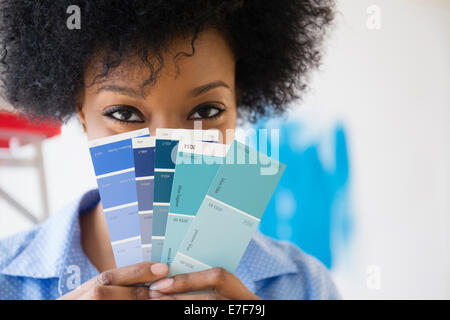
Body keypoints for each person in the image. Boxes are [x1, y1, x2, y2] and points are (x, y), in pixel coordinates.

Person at [0, 0, 339, 299]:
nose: (169, 150)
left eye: (206, 112)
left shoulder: (304, 286)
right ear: (81, 113)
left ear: (238, 104)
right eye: (125, 114)